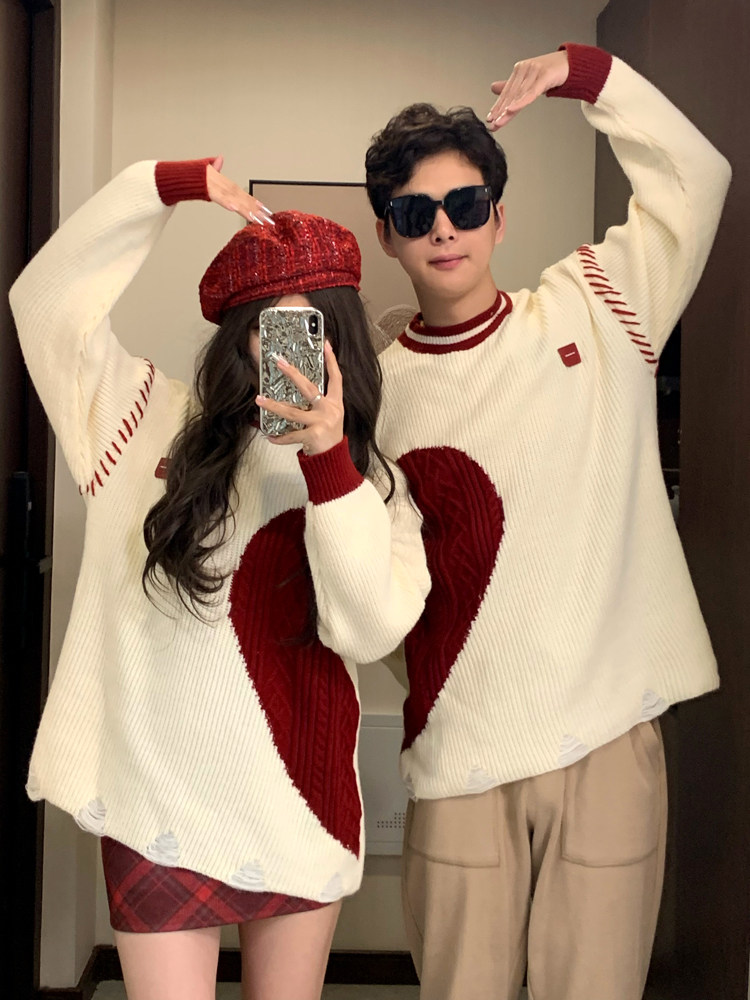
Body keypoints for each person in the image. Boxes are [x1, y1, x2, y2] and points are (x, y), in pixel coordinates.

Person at [9, 155, 430, 1000]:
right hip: (155, 808)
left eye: (312, 326)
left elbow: (368, 631)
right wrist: (163, 185)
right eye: (270, 326)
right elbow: (43, 305)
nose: (288, 349)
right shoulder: (139, 420)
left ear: (342, 339)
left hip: (298, 807)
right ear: (237, 335)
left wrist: (327, 462)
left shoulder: (373, 483)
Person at [364, 42, 731, 1000]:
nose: (445, 228)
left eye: (466, 204)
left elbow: (697, 179)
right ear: (388, 236)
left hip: (604, 736)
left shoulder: (598, 308)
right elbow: (366, 584)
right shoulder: (373, 399)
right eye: (415, 214)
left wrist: (590, 75)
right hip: (460, 753)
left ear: (499, 214)